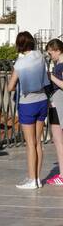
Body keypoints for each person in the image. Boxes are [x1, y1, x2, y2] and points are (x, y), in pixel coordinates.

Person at [7, 31, 50, 189]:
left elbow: (10, 87)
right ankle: (37, 178)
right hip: (42, 100)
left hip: (28, 103)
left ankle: (32, 179)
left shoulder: (20, 63)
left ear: (19, 45)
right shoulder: (40, 56)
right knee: (38, 142)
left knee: (30, 144)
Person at [45, 38, 63, 185]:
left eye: (51, 53)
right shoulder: (58, 65)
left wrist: (50, 76)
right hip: (55, 104)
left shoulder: (61, 66)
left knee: (59, 141)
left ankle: (62, 175)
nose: (50, 56)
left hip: (58, 105)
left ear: (57, 50)